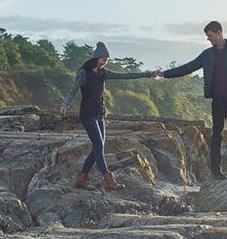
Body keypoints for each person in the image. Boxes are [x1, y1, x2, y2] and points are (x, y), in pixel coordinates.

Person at [161, 20, 227, 179]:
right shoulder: (207, 55)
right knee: (217, 133)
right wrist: (165, 74)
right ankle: (216, 170)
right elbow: (188, 67)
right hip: (218, 99)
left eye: (210, 35)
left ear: (219, 33)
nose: (208, 39)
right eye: (207, 36)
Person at [60, 42, 161, 190]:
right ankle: (108, 180)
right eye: (103, 60)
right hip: (87, 113)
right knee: (99, 146)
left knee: (98, 148)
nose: (105, 63)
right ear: (96, 58)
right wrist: (65, 104)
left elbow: (125, 76)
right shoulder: (83, 72)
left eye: (107, 61)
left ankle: (81, 178)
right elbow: (73, 90)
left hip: (100, 113)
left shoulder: (103, 73)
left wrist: (148, 74)